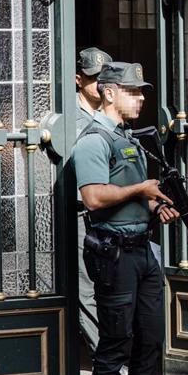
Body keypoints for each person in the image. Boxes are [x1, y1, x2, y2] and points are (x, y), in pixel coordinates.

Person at [72, 61, 186, 375]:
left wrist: (153, 205)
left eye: (141, 91)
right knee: (115, 344)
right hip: (114, 253)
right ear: (108, 92)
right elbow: (94, 198)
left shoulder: (127, 139)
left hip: (141, 249)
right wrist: (141, 187)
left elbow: (129, 196)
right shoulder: (93, 141)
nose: (140, 98)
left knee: (150, 338)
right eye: (133, 91)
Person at [74, 47, 112, 358]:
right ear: (78, 79)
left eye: (104, 79)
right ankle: (105, 354)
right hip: (77, 211)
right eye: (93, 79)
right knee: (84, 286)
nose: (99, 85)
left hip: (107, 212)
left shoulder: (111, 116)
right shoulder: (68, 115)